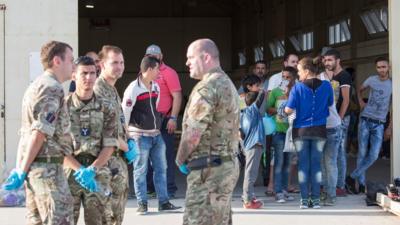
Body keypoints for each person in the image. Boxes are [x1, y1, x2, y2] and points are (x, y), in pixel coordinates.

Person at [2, 41, 75, 224]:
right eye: (71, 60)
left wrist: (21, 169)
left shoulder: (35, 86)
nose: (73, 66)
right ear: (57, 61)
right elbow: (39, 132)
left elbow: (26, 133)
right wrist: (21, 169)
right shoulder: (52, 87)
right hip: (48, 171)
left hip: (37, 172)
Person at [176, 39, 240, 225]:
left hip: (209, 170)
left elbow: (193, 134)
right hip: (224, 166)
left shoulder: (207, 87)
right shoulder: (227, 83)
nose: (187, 63)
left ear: (206, 57)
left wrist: (180, 159)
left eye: (190, 58)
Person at [122, 55, 180, 215]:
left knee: (162, 168)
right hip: (140, 137)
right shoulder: (133, 88)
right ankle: (142, 204)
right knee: (140, 170)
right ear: (148, 70)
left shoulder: (155, 87)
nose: (159, 73)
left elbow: (155, 108)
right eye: (157, 70)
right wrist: (127, 136)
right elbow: (124, 113)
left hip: (156, 135)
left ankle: (164, 202)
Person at [63, 56, 118, 225]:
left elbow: (110, 143)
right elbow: (59, 145)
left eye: (92, 73)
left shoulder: (107, 106)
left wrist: (92, 170)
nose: (89, 78)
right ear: (74, 75)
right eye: (84, 73)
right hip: (69, 171)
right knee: (64, 220)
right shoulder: (63, 106)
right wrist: (80, 170)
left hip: (98, 171)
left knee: (98, 221)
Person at [285, 57, 333, 209]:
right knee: (316, 165)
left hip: (301, 131)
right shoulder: (326, 86)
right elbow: (331, 103)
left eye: (299, 71)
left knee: (303, 166)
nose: (298, 74)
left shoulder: (297, 88)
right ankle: (316, 200)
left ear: (306, 71)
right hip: (319, 130)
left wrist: (283, 108)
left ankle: (304, 200)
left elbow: (288, 110)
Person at [94, 45, 133, 225]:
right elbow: (102, 130)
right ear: (102, 64)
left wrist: (129, 139)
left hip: (117, 166)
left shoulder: (112, 90)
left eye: (122, 62)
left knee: (116, 219)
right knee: (106, 219)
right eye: (114, 62)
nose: (119, 66)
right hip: (106, 166)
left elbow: (118, 122)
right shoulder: (98, 90)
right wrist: (126, 147)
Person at [346, 57, 392, 194]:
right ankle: (360, 184)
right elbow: (359, 90)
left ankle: (351, 177)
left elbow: (394, 107)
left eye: (383, 67)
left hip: (379, 124)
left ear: (388, 67)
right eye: (378, 67)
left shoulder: (392, 84)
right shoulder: (372, 79)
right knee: (362, 153)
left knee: (374, 155)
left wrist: (389, 127)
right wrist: (361, 102)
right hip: (365, 120)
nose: (381, 70)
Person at [144, 44, 182, 198]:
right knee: (146, 156)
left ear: (161, 56)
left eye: (155, 54)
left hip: (165, 119)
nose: (153, 56)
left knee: (165, 156)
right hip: (147, 121)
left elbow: (177, 96)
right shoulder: (143, 72)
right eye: (149, 54)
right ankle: (150, 188)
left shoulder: (169, 73)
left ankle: (169, 189)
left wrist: (173, 118)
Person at [323, 48, 352, 196]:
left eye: (330, 60)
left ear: (337, 61)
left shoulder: (344, 76)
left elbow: (345, 101)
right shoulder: (329, 77)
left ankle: (340, 185)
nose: (326, 62)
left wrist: (339, 120)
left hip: (342, 119)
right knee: (331, 154)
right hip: (332, 120)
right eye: (325, 60)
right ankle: (330, 183)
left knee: (339, 153)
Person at [267, 66, 297, 203]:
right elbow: (268, 109)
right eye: (283, 77)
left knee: (287, 163)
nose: (285, 79)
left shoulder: (297, 91)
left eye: (288, 77)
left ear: (293, 78)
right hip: (279, 131)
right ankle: (278, 191)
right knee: (278, 162)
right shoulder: (275, 92)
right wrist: (280, 109)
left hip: (291, 131)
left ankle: (284, 190)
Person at [316, 55, 342, 206]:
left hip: (330, 127)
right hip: (325, 126)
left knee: (329, 163)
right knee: (325, 163)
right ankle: (328, 193)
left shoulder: (322, 84)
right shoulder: (328, 83)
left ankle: (330, 194)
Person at [239, 75, 265, 209]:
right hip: (254, 145)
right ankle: (248, 200)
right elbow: (260, 98)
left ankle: (248, 196)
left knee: (250, 172)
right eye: (257, 85)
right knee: (251, 173)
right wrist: (263, 90)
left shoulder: (243, 112)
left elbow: (240, 131)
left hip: (247, 145)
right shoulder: (253, 111)